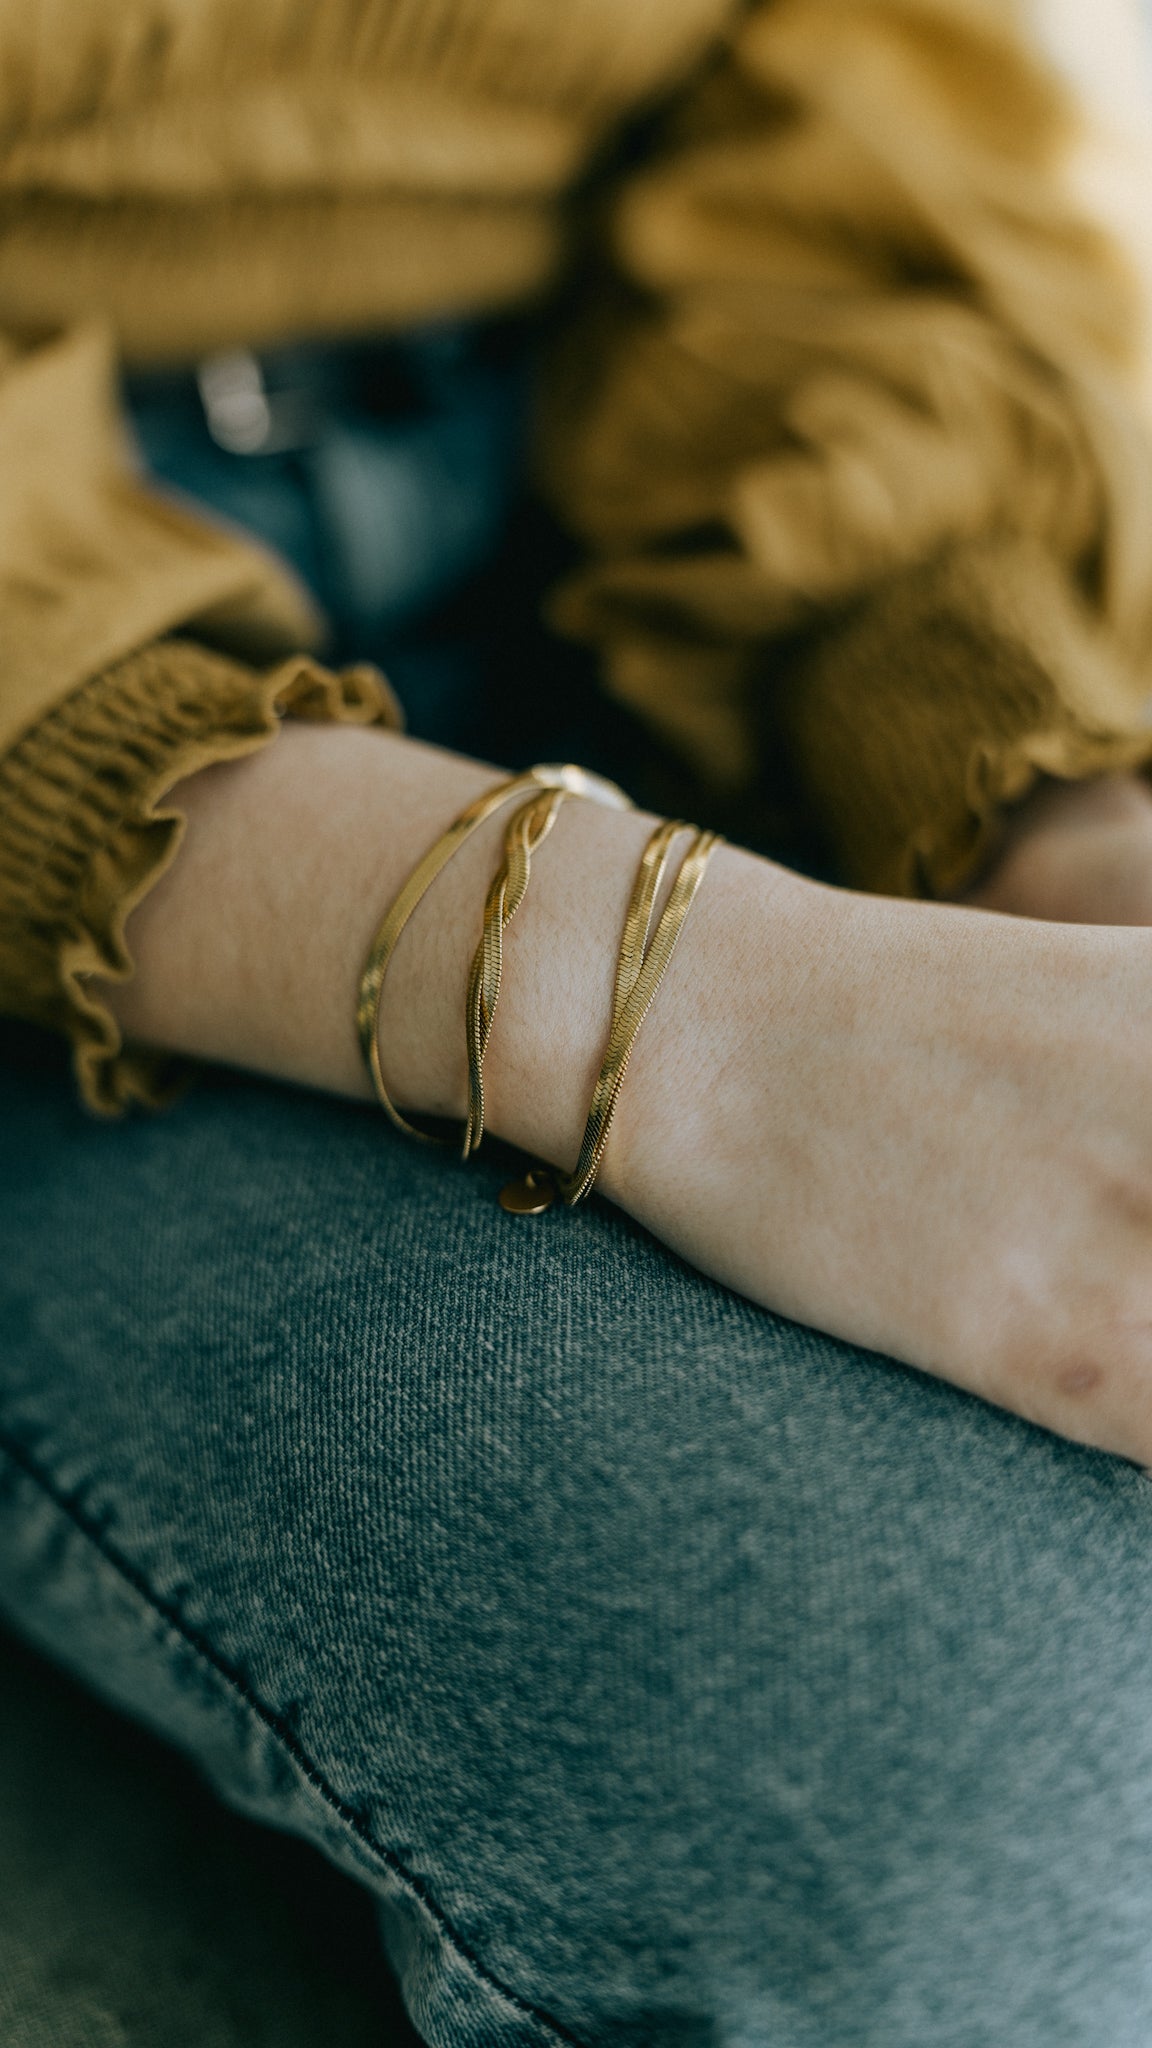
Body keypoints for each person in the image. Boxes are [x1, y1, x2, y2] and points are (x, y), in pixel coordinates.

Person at [6, 3, 1152, 2042]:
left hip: (613, 470)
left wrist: (1025, 802)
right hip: (69, 801)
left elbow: (821, 73)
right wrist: (709, 1014)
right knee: (1008, 1827)